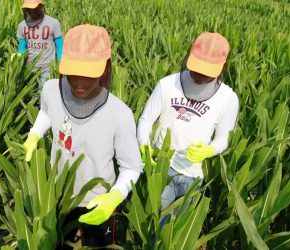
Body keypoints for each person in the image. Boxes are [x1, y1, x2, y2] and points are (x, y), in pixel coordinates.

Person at [23, 25, 143, 248]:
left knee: (99, 246)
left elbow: (132, 167)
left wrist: (114, 197)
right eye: (73, 72)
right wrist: (35, 134)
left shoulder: (120, 114)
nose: (78, 82)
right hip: (58, 194)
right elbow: (47, 111)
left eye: (88, 75)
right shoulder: (51, 89)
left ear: (106, 68)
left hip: (98, 199)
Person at [137, 32, 239, 222]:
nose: (200, 74)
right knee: (156, 226)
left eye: (207, 70)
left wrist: (210, 150)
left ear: (223, 67)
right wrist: (144, 144)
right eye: (197, 67)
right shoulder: (167, 84)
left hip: (194, 177)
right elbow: (145, 120)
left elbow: (223, 138)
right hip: (162, 169)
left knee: (178, 233)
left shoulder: (228, 98)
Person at [15, 0, 63, 86]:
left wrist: (61, 64)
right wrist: (17, 61)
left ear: (41, 6)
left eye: (34, 8)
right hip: (29, 70)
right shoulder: (22, 25)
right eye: (28, 9)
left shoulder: (53, 23)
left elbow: (59, 47)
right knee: (32, 97)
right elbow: (22, 47)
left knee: (44, 95)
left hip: (47, 69)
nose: (31, 11)